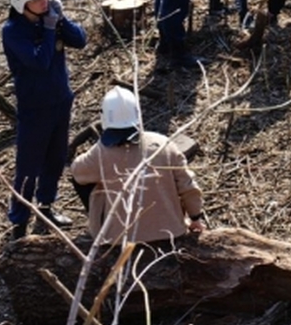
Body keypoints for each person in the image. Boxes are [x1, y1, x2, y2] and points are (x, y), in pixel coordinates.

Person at [2, 0, 88, 239]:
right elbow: (39, 62)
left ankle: (47, 205)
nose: (44, 2)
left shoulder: (49, 17)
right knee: (28, 166)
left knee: (56, 159)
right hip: (35, 108)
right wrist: (50, 28)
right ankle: (20, 221)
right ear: (20, 2)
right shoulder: (14, 31)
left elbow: (81, 41)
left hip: (60, 101)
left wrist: (61, 19)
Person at [70, 86, 207, 246]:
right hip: (170, 232)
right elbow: (188, 186)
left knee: (87, 180)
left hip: (119, 238)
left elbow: (76, 172)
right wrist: (195, 218)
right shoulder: (163, 143)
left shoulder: (100, 153)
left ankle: (102, 225)